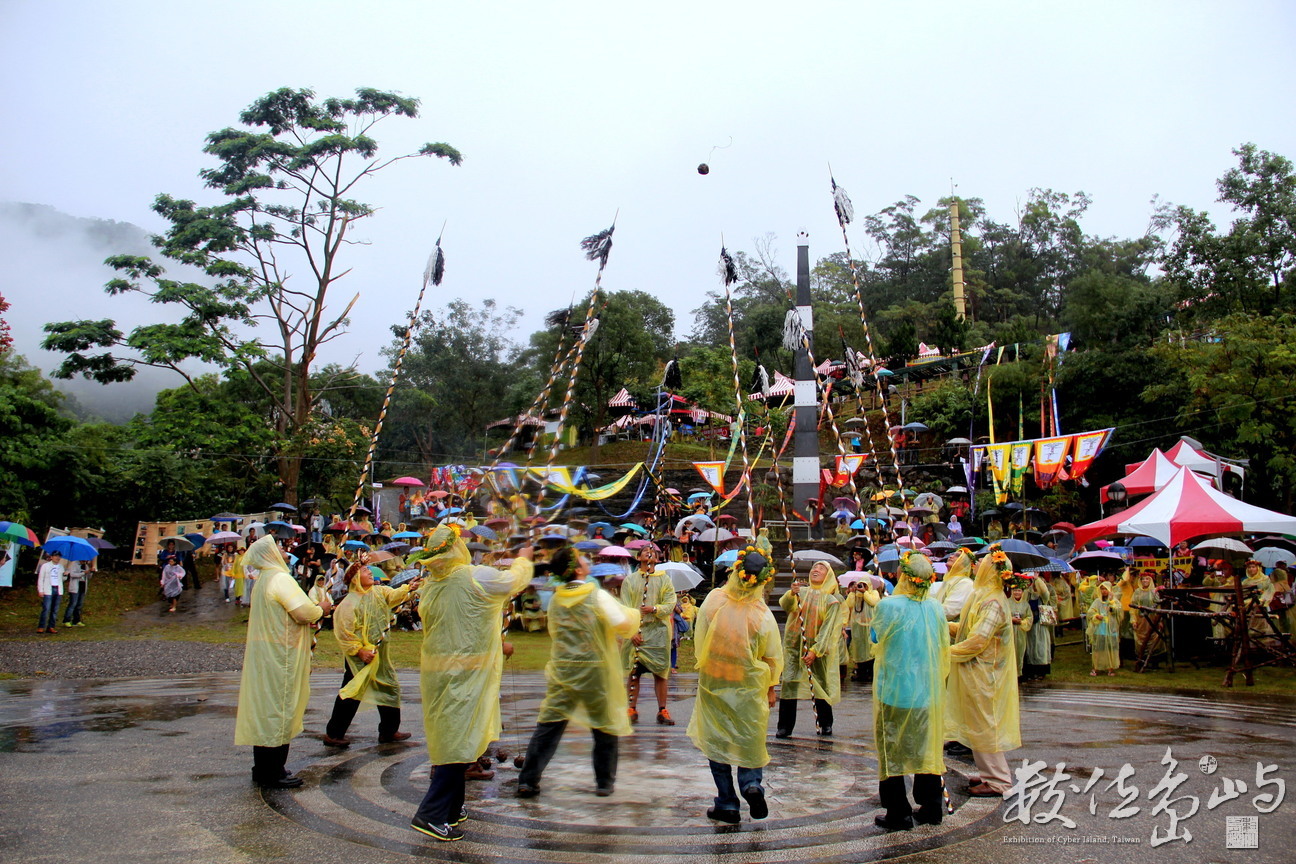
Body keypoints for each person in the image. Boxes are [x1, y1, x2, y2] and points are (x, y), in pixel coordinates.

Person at [410, 524, 535, 843]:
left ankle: (452, 809)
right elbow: (511, 582)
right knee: (458, 741)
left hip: (439, 672)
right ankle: (431, 813)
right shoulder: (472, 577)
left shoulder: (432, 585)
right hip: (465, 673)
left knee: (453, 736)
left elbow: (465, 617)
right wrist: (523, 560)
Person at [516, 547, 639, 798]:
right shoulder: (597, 596)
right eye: (583, 559)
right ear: (578, 568)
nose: (587, 560)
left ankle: (528, 779)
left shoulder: (557, 599)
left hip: (565, 670)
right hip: (595, 670)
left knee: (550, 724)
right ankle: (604, 782)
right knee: (604, 725)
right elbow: (623, 623)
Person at [688, 547, 782, 824]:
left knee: (717, 737)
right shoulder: (761, 613)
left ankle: (727, 802)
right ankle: (751, 784)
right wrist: (771, 686)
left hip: (716, 678)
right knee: (748, 735)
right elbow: (771, 653)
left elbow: (701, 636)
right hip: (749, 683)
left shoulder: (714, 600)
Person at [233, 535, 332, 788]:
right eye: (278, 547)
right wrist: (321, 608)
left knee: (266, 709)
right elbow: (303, 612)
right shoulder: (279, 578)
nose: (284, 551)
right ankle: (273, 770)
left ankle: (263, 768)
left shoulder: (264, 579)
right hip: (281, 656)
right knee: (280, 708)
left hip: (267, 653)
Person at [870, 551, 950, 830]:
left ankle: (898, 811)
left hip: (895, 690)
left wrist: (876, 603)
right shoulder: (935, 607)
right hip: (927, 692)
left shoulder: (889, 606)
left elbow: (875, 636)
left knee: (891, 749)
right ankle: (931, 807)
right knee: (925, 748)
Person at [945, 545, 1021, 798]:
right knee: (978, 724)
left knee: (986, 725)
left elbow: (978, 640)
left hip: (985, 675)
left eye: (983, 563)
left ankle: (999, 781)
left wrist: (945, 654)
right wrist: (941, 624)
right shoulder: (982, 596)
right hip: (975, 672)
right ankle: (988, 773)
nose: (977, 567)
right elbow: (967, 629)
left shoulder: (992, 602)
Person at [322, 560, 419, 747]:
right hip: (360, 657)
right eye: (364, 570)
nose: (369, 573)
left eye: (368, 569)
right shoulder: (349, 603)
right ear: (355, 578)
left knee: (388, 686)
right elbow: (344, 633)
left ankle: (389, 731)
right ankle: (334, 733)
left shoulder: (378, 592)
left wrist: (409, 588)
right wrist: (359, 651)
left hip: (380, 653)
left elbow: (394, 596)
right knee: (352, 691)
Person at [776, 560, 844, 737]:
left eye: (822, 568)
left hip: (817, 650)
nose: (816, 570)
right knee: (789, 683)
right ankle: (784, 726)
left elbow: (828, 629)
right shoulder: (800, 592)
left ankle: (826, 723)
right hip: (793, 646)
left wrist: (816, 650)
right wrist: (792, 593)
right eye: (815, 567)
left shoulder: (831, 601)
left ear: (828, 576)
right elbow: (785, 605)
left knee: (819, 684)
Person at [622, 545, 678, 726]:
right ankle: (631, 707)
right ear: (639, 558)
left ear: (657, 559)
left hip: (658, 633)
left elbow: (670, 603)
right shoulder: (630, 581)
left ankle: (662, 709)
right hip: (637, 632)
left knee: (661, 673)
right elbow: (624, 608)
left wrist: (654, 609)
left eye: (653, 551)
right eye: (645, 551)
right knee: (634, 672)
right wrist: (631, 632)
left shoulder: (664, 580)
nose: (649, 552)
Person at [1086, 581, 1120, 676]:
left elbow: (1117, 611)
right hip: (1100, 629)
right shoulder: (1097, 601)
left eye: (1106, 589)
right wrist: (1096, 615)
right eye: (1102, 589)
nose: (1104, 591)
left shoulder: (1114, 601)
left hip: (1111, 629)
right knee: (1098, 648)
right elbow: (1090, 612)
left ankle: (1110, 668)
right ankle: (1096, 667)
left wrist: (1111, 602)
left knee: (1111, 649)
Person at [932, 548, 975, 622]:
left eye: (957, 556)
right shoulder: (949, 580)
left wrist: (926, 614)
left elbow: (949, 611)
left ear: (965, 563)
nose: (950, 556)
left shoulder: (965, 583)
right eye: (952, 554)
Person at [847, 580, 875, 682]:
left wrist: (865, 592)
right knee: (859, 650)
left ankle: (871, 673)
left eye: (864, 585)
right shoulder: (856, 595)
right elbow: (849, 605)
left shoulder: (874, 593)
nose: (862, 587)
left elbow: (873, 601)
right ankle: (861, 673)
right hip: (858, 628)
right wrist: (852, 593)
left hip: (869, 627)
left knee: (870, 650)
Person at [1004, 581, 1033, 678]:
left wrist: (1021, 622)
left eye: (1019, 591)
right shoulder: (1007, 602)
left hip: (1020, 632)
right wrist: (1010, 619)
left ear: (1022, 592)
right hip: (1009, 631)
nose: (1017, 593)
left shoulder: (1026, 605)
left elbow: (1029, 618)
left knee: (1020, 652)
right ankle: (1009, 673)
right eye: (1015, 590)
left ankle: (1019, 673)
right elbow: (1002, 615)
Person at [37, 551, 65, 634]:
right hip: (48, 589)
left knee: (55, 610)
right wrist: (40, 590)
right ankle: (41, 626)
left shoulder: (61, 567)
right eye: (56, 556)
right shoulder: (45, 566)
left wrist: (65, 575)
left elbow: (62, 579)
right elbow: (41, 578)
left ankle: (51, 626)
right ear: (51, 557)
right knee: (46, 608)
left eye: (59, 556)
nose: (57, 558)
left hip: (58, 589)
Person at [61, 556, 88, 627]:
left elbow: (88, 576)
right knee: (73, 604)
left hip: (82, 586)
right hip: (75, 587)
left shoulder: (86, 566)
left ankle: (76, 620)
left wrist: (90, 572)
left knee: (79, 605)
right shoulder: (74, 564)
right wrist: (83, 573)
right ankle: (66, 620)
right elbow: (72, 574)